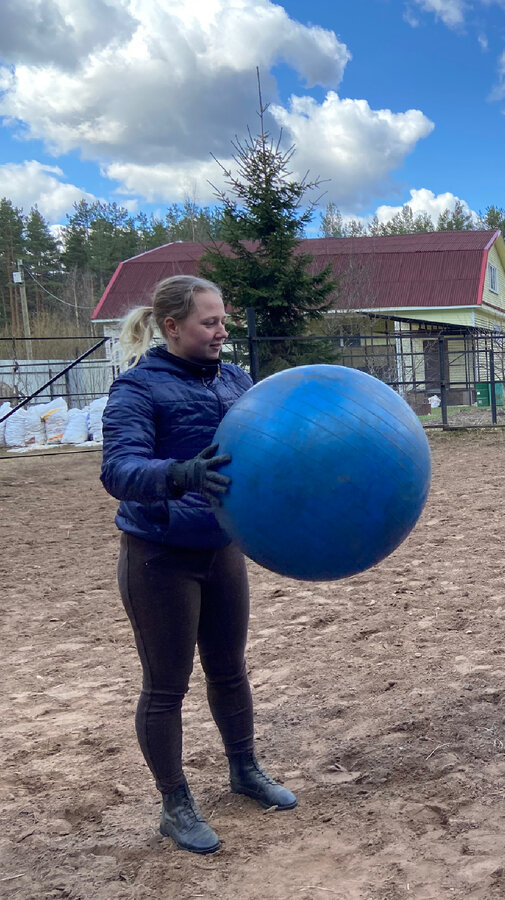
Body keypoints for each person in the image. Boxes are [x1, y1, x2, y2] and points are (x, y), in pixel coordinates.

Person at [101, 275, 296, 855]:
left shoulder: (236, 380)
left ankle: (244, 770)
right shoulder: (137, 389)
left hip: (223, 548)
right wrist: (178, 474)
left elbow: (271, 439)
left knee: (229, 669)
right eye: (209, 321)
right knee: (165, 688)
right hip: (158, 555)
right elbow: (118, 469)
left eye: (223, 319)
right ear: (172, 327)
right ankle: (175, 804)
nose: (222, 330)